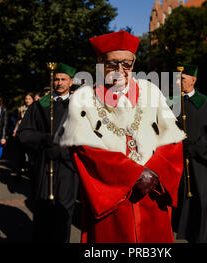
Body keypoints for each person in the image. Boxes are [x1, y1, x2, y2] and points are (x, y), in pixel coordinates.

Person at [60, 30, 185, 243]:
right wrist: (132, 175)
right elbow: (85, 150)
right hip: (113, 198)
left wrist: (154, 173)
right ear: (100, 65)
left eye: (127, 64)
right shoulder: (84, 98)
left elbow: (172, 139)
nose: (120, 70)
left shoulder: (151, 91)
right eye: (113, 64)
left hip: (152, 191)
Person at [18, 63, 79, 243]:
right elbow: (23, 134)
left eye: (63, 79)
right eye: (56, 79)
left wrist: (64, 150)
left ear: (71, 82)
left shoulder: (80, 106)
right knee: (43, 212)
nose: (59, 83)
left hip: (68, 167)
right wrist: (44, 139)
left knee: (64, 212)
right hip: (44, 166)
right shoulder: (39, 106)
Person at [170, 64, 207, 243]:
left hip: (200, 160)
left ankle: (199, 237)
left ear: (193, 80)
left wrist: (196, 148)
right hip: (179, 158)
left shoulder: (205, 103)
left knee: (201, 197)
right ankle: (182, 231)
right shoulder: (173, 102)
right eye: (178, 79)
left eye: (183, 79)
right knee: (182, 196)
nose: (179, 82)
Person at [12, 92, 35, 180]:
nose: (27, 100)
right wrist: (15, 131)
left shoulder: (35, 109)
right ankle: (19, 173)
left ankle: (29, 172)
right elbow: (18, 121)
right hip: (21, 133)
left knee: (29, 155)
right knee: (20, 154)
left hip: (31, 133)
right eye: (26, 99)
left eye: (29, 99)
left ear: (33, 100)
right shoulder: (21, 109)